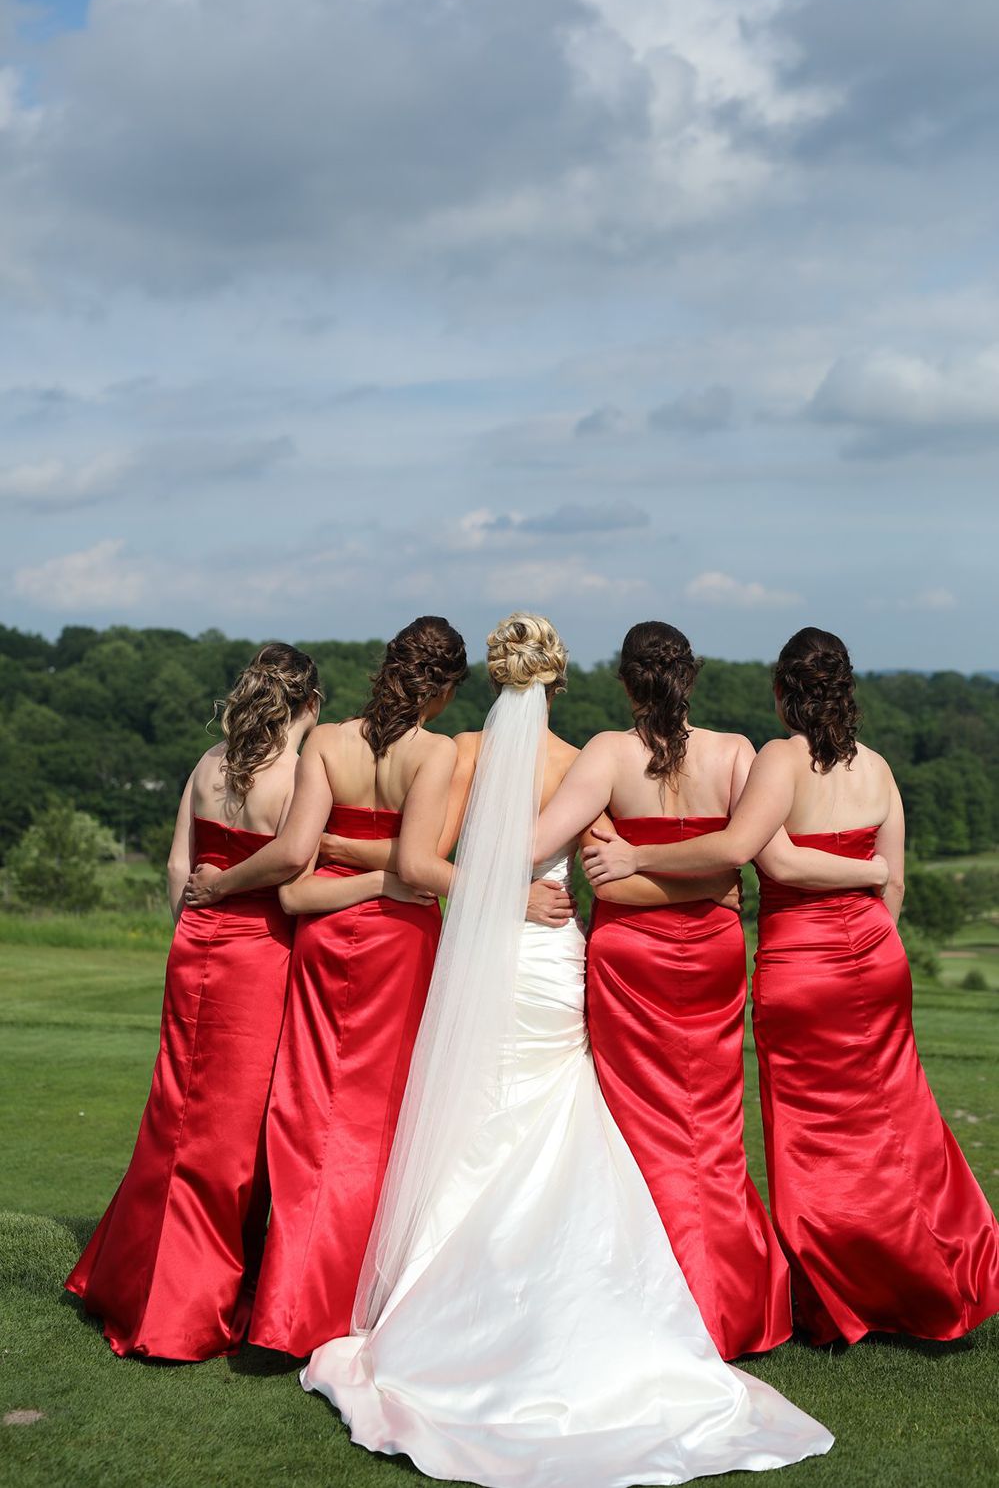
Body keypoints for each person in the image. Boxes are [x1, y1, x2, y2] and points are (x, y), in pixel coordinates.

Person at [301, 614, 833, 1488]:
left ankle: (448, 1291)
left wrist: (487, 893)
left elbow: (423, 860)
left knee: (479, 1113)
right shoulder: (584, 757)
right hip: (552, 957)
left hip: (492, 957)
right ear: (559, 681)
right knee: (560, 1107)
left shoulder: (461, 752)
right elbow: (615, 863)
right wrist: (534, 894)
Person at [584, 625, 999, 1346]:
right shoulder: (877, 768)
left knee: (814, 1136)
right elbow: (892, 878)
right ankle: (933, 1276)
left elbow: (748, 854)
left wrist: (635, 852)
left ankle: (836, 1299)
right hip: (876, 955)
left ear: (782, 693)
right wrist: (869, 925)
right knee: (899, 1125)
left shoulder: (777, 757)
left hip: (800, 964)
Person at [535, 620, 887, 1358]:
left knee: (641, 1129)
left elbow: (533, 844)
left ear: (628, 682)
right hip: (714, 952)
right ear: (688, 677)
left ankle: (654, 1292)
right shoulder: (736, 753)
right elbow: (734, 868)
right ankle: (734, 1294)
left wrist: (614, 863)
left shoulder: (605, 753)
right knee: (713, 1129)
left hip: (629, 959)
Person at [186, 615, 468, 1356]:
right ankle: (352, 1299)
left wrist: (345, 857)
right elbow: (416, 866)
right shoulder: (434, 752)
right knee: (378, 1124)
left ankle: (286, 1306)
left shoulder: (326, 742)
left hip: (321, 937)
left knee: (307, 1118)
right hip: (398, 942)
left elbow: (294, 875)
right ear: (439, 690)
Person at [65, 644, 326, 1360]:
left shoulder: (209, 763)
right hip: (257, 950)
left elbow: (180, 863)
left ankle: (128, 1276)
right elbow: (289, 863)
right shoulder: (297, 774)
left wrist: (193, 911)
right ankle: (187, 1301)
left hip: (195, 946)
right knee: (225, 1133)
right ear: (306, 702)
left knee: (174, 1108)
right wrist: (231, 889)